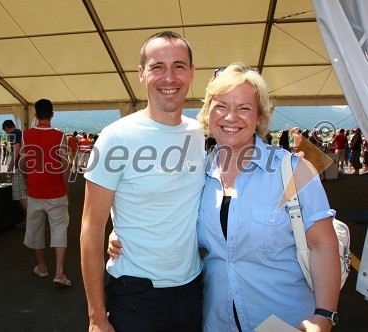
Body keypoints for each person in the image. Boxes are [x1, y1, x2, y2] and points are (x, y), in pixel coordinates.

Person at [110, 63, 341, 331]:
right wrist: (123, 233)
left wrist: (324, 315)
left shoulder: (293, 170)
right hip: (217, 322)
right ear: (208, 114)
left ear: (259, 118)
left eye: (244, 108)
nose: (231, 117)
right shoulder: (195, 172)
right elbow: (167, 215)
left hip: (287, 321)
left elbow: (323, 245)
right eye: (221, 106)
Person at [80, 31, 206, 332]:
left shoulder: (200, 133)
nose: (169, 77)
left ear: (191, 73)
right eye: (157, 67)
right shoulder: (116, 137)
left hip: (193, 290)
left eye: (178, 66)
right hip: (137, 297)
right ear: (141, 74)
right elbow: (90, 227)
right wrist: (96, 317)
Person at [20, 99, 71, 286]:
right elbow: (66, 166)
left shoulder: (26, 135)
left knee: (35, 229)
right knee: (59, 230)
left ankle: (42, 266)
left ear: (35, 115)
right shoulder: (60, 136)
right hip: (56, 191)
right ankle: (59, 272)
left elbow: (24, 163)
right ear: (52, 115)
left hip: (35, 192)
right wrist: (66, 187)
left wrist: (28, 177)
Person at [2, 119, 27, 227]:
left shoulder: (14, 134)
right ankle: (28, 220)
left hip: (19, 167)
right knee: (24, 193)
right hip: (24, 166)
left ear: (7, 128)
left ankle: (32, 218)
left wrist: (11, 165)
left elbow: (16, 148)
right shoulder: (21, 133)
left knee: (19, 194)